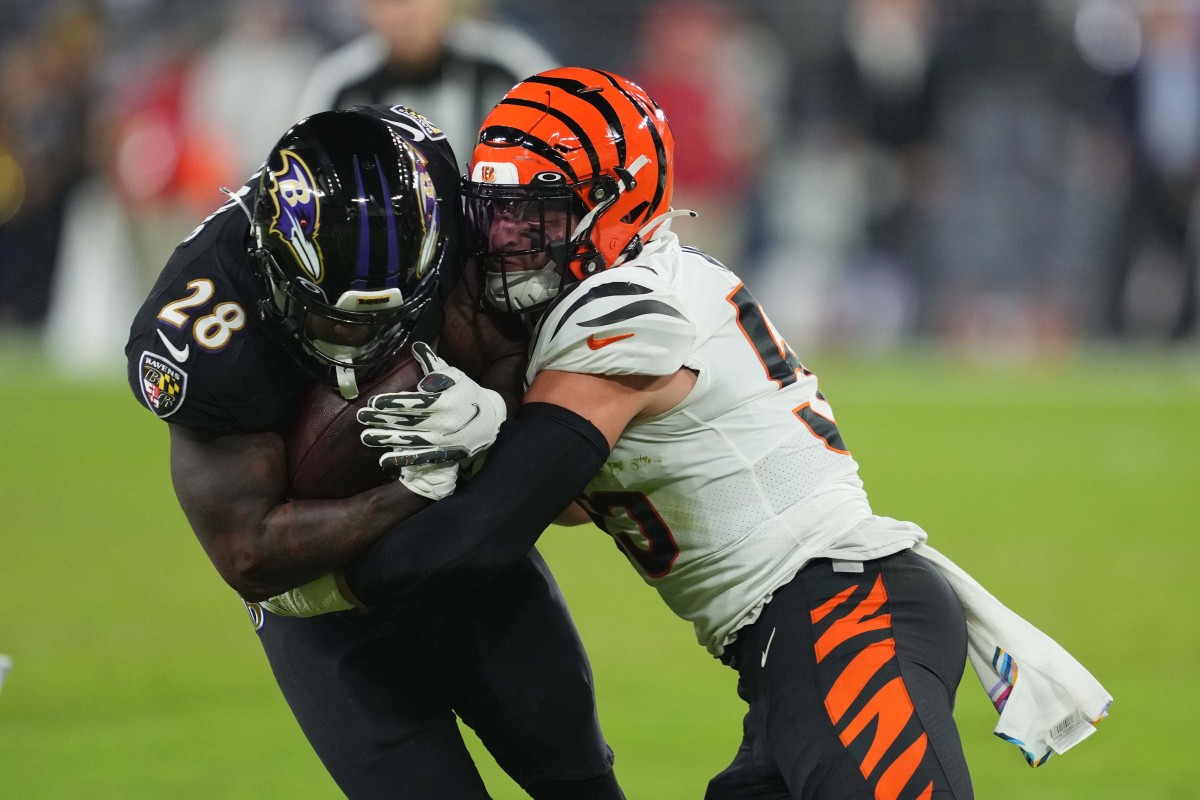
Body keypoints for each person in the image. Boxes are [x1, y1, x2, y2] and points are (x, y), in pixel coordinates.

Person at [269, 68, 1113, 798]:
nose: (508, 246)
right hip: (793, 646)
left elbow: (491, 534)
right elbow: (575, 503)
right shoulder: (618, 298)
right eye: (497, 216)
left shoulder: (629, 309)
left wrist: (315, 587)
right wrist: (496, 432)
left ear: (617, 204)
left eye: (540, 219)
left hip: (841, 613)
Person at [124, 104, 624, 799]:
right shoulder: (204, 321)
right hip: (320, 603)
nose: (363, 342)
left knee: (578, 780)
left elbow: (521, 334)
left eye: (392, 313)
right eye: (338, 317)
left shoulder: (452, 203)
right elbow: (249, 553)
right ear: (274, 265)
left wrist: (497, 408)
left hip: (459, 552)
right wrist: (415, 488)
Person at [295, 0, 557, 166]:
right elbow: (304, 173)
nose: (401, 16)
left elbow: (560, 147)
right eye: (384, 3)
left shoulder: (507, 66)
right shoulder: (339, 84)